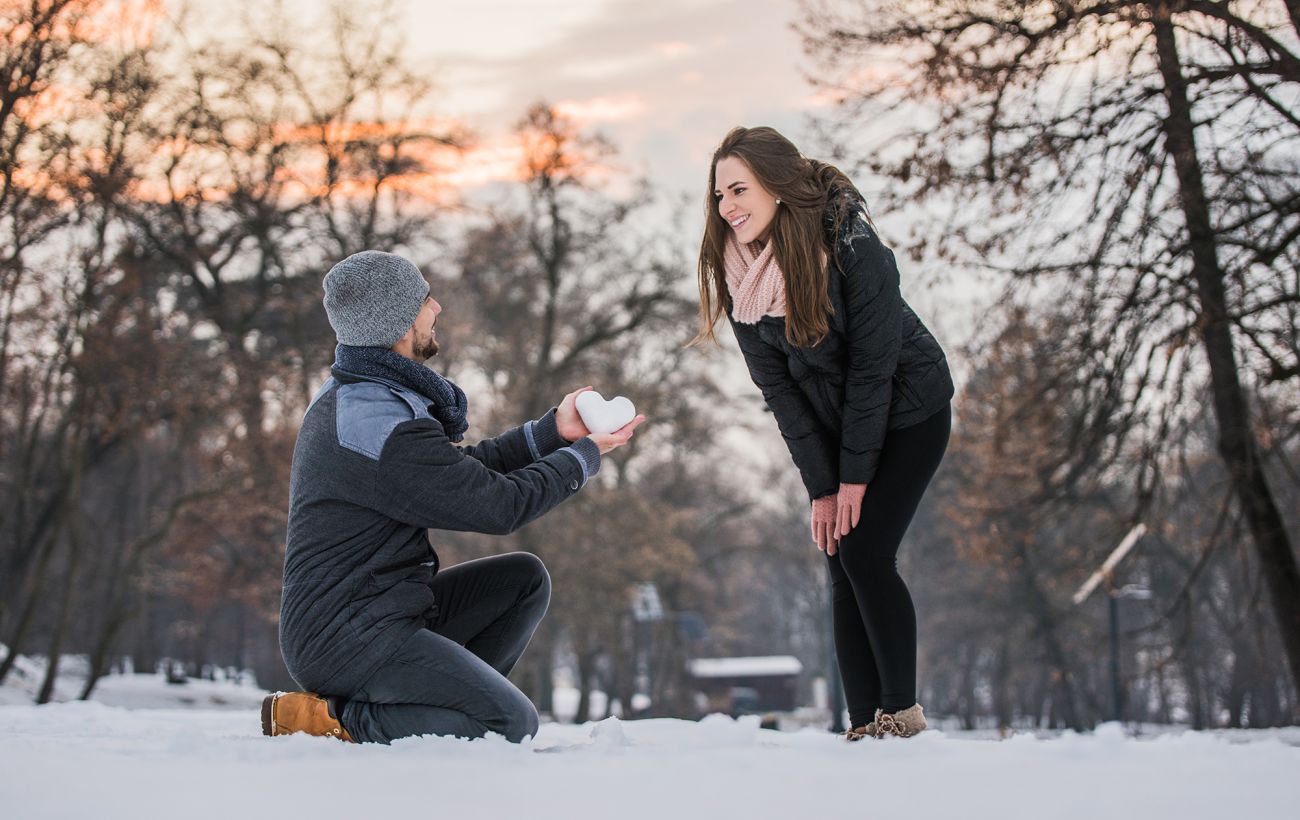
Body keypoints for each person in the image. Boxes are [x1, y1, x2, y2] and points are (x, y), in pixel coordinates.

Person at [263, 250, 645, 744]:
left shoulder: (364, 396)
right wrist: (586, 456)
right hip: (346, 638)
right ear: (398, 321)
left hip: (383, 612)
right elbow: (498, 505)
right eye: (426, 299)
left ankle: (441, 712)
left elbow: (458, 474)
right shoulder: (378, 425)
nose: (437, 307)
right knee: (509, 723)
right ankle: (335, 720)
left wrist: (554, 433)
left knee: (522, 580)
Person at [691, 127, 954, 739]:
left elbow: (872, 368)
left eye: (739, 189)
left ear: (778, 188)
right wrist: (824, 489)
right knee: (839, 555)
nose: (727, 206)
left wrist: (855, 478)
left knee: (866, 551)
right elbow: (781, 394)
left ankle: (902, 717)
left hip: (911, 409)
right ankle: (864, 724)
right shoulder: (740, 278)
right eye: (719, 193)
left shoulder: (853, 245)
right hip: (842, 429)